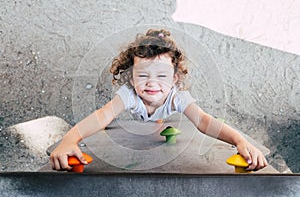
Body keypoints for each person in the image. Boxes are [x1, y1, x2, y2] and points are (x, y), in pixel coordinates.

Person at [50, 29, 268, 171]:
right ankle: (154, 122)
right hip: (142, 115)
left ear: (174, 79)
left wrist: (240, 141)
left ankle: (156, 122)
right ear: (131, 77)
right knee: (144, 121)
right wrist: (69, 140)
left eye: (161, 76)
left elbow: (203, 121)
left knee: (159, 122)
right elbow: (103, 116)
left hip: (165, 115)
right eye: (143, 75)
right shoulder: (129, 94)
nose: (151, 84)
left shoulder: (178, 97)